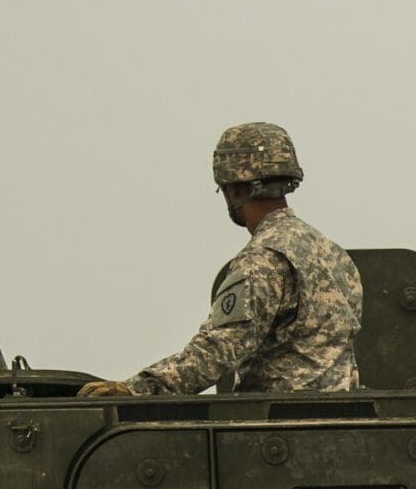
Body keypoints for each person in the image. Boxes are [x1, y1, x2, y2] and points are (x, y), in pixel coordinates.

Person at [77, 122, 363, 398]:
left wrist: (138, 388)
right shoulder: (332, 253)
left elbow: (219, 349)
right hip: (340, 418)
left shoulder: (263, 258)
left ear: (235, 189)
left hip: (277, 423)